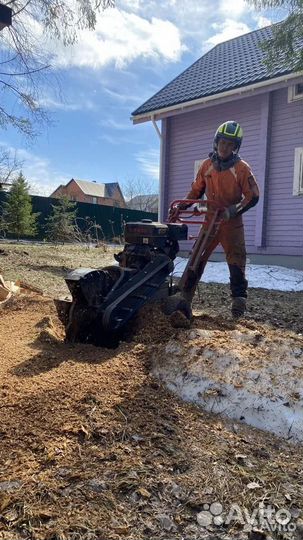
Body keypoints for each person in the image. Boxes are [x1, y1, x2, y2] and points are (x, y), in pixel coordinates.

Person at [171, 120, 259, 318]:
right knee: (197, 256)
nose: (225, 147)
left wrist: (232, 210)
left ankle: (238, 301)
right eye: (222, 142)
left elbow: (253, 195)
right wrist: (182, 205)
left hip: (231, 223)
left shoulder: (242, 168)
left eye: (230, 144)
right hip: (210, 221)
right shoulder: (207, 166)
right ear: (216, 142)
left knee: (236, 259)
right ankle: (184, 298)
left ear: (236, 147)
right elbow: (196, 191)